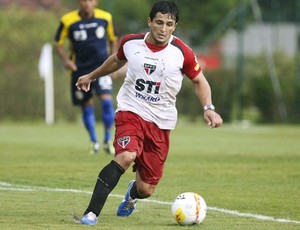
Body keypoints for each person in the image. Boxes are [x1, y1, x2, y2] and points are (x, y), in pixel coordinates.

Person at [74, 0, 223, 225]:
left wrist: (209, 108)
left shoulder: (182, 53)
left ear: (175, 26)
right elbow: (115, 61)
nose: (163, 29)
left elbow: (199, 81)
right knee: (125, 155)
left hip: (161, 122)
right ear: (149, 22)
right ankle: (91, 214)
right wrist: (91, 76)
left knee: (146, 189)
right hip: (130, 111)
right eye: (159, 22)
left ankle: (132, 196)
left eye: (169, 24)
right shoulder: (131, 43)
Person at [54, 0, 118, 155]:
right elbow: (58, 43)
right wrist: (67, 61)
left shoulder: (106, 17)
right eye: (84, 0)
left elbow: (113, 39)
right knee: (86, 105)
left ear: (96, 2)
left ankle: (107, 140)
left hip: (101, 68)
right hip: (80, 70)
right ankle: (93, 141)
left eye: (90, 0)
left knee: (107, 102)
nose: (87, 4)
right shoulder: (67, 20)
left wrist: (113, 60)